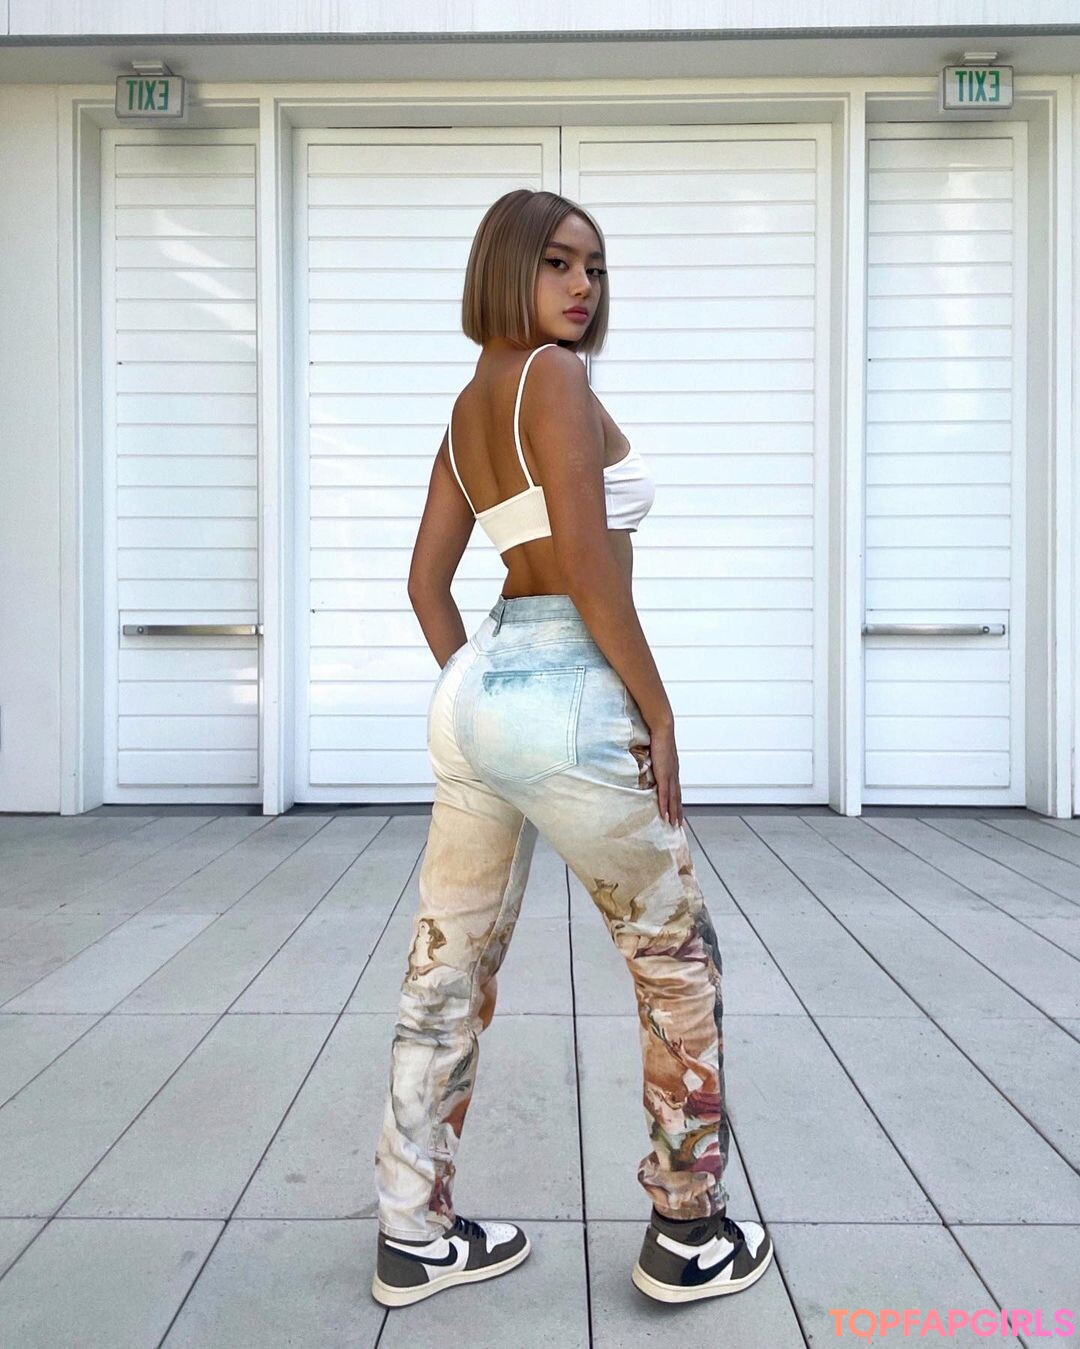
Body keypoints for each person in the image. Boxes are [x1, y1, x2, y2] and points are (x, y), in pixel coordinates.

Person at [371, 188, 773, 1308]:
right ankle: (688, 1231)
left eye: (594, 265)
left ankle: (412, 1230)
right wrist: (658, 710)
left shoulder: (471, 403)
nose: (583, 284)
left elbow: (425, 584)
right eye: (557, 262)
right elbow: (589, 566)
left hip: (480, 683)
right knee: (675, 963)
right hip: (573, 683)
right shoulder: (554, 377)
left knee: (446, 971)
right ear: (508, 267)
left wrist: (482, 694)